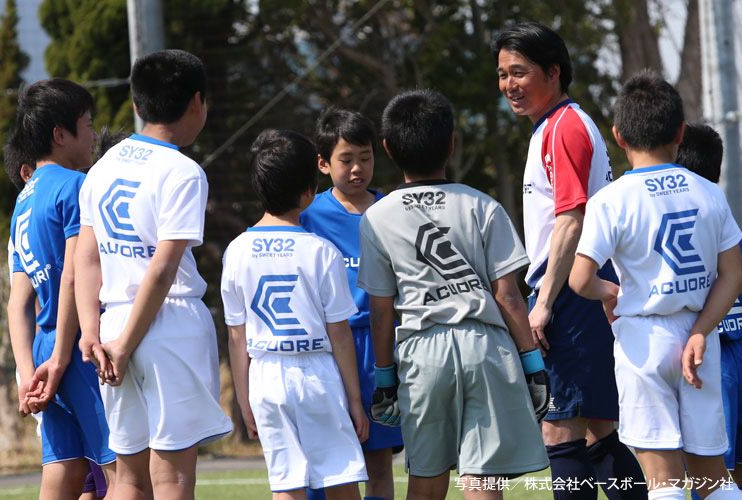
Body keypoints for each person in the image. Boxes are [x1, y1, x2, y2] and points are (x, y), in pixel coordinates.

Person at [358, 88, 549, 500]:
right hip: (486, 346)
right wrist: (533, 364)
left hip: (422, 353)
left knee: (426, 481)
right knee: (482, 480)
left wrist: (386, 376)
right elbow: (509, 297)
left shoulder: (377, 218)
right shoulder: (483, 205)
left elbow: (380, 310)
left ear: (388, 149)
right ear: (451, 143)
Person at [570, 70, 742, 500]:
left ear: (619, 136)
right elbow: (733, 274)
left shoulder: (611, 200)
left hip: (644, 339)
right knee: (713, 478)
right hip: (698, 341)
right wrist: (701, 330)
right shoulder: (709, 192)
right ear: (680, 132)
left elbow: (580, 279)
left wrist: (611, 294)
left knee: (663, 482)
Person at [494, 22, 647, 500]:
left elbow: (571, 220)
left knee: (560, 431)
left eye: (519, 72)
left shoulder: (562, 127)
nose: (508, 85)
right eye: (502, 74)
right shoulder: (557, 125)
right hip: (579, 289)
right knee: (598, 428)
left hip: (570, 294)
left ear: (554, 72)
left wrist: (542, 302)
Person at [74, 49, 232, 499]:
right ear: (197, 103)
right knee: (174, 477)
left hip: (112, 322)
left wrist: (93, 332)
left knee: (128, 477)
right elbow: (162, 269)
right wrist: (123, 345)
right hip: (166, 325)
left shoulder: (102, 166)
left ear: (136, 104)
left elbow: (86, 258)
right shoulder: (183, 171)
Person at [221, 128, 368, 499]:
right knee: (340, 479)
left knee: (286, 486)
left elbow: (236, 336)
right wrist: (354, 398)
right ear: (308, 191)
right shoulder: (321, 251)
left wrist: (244, 398)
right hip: (316, 373)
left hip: (266, 375)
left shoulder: (236, 251)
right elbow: (340, 334)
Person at [6, 78, 116, 500]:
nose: (91, 134)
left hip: (43, 352)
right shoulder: (75, 185)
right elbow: (75, 276)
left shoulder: (24, 201)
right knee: (120, 474)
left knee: (63, 472)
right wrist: (62, 356)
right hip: (77, 351)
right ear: (60, 134)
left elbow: (19, 301)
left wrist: (28, 372)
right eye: (86, 124)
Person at [300, 107, 403, 500]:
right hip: (330, 348)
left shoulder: (391, 209)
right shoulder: (309, 216)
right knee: (330, 460)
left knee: (379, 461)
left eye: (366, 157)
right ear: (324, 164)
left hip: (380, 346)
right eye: (346, 160)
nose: (358, 168)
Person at [677, 123, 742, 499]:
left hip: (712, 355)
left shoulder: (685, 219)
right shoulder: (724, 214)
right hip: (725, 344)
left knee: (710, 475)